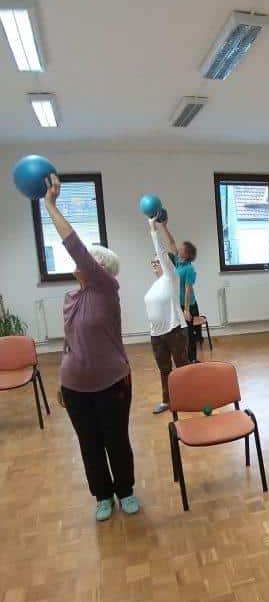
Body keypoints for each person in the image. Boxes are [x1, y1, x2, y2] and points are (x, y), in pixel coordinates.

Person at [44, 174, 140, 521]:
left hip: (111, 382)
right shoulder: (72, 297)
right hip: (75, 386)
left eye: (88, 261)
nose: (80, 264)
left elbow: (75, 246)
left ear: (99, 269)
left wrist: (50, 204)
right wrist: (61, 381)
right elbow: (70, 342)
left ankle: (125, 491)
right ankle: (102, 495)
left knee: (116, 440)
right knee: (89, 443)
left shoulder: (105, 289)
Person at [144, 215, 188, 414]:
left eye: (157, 262)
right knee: (164, 370)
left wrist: (154, 228)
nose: (154, 264)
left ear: (166, 264)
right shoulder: (155, 285)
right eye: (152, 263)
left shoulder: (171, 277)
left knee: (182, 367)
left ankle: (190, 396)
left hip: (175, 330)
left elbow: (162, 251)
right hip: (156, 334)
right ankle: (167, 400)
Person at [164, 224, 201, 362]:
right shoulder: (179, 263)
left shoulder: (189, 269)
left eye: (182, 249)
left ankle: (193, 359)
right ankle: (185, 359)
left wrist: (186, 310)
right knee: (180, 333)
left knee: (190, 333)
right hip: (179, 304)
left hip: (189, 305)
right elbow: (172, 243)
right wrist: (164, 226)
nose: (178, 249)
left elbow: (187, 290)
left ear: (187, 254)